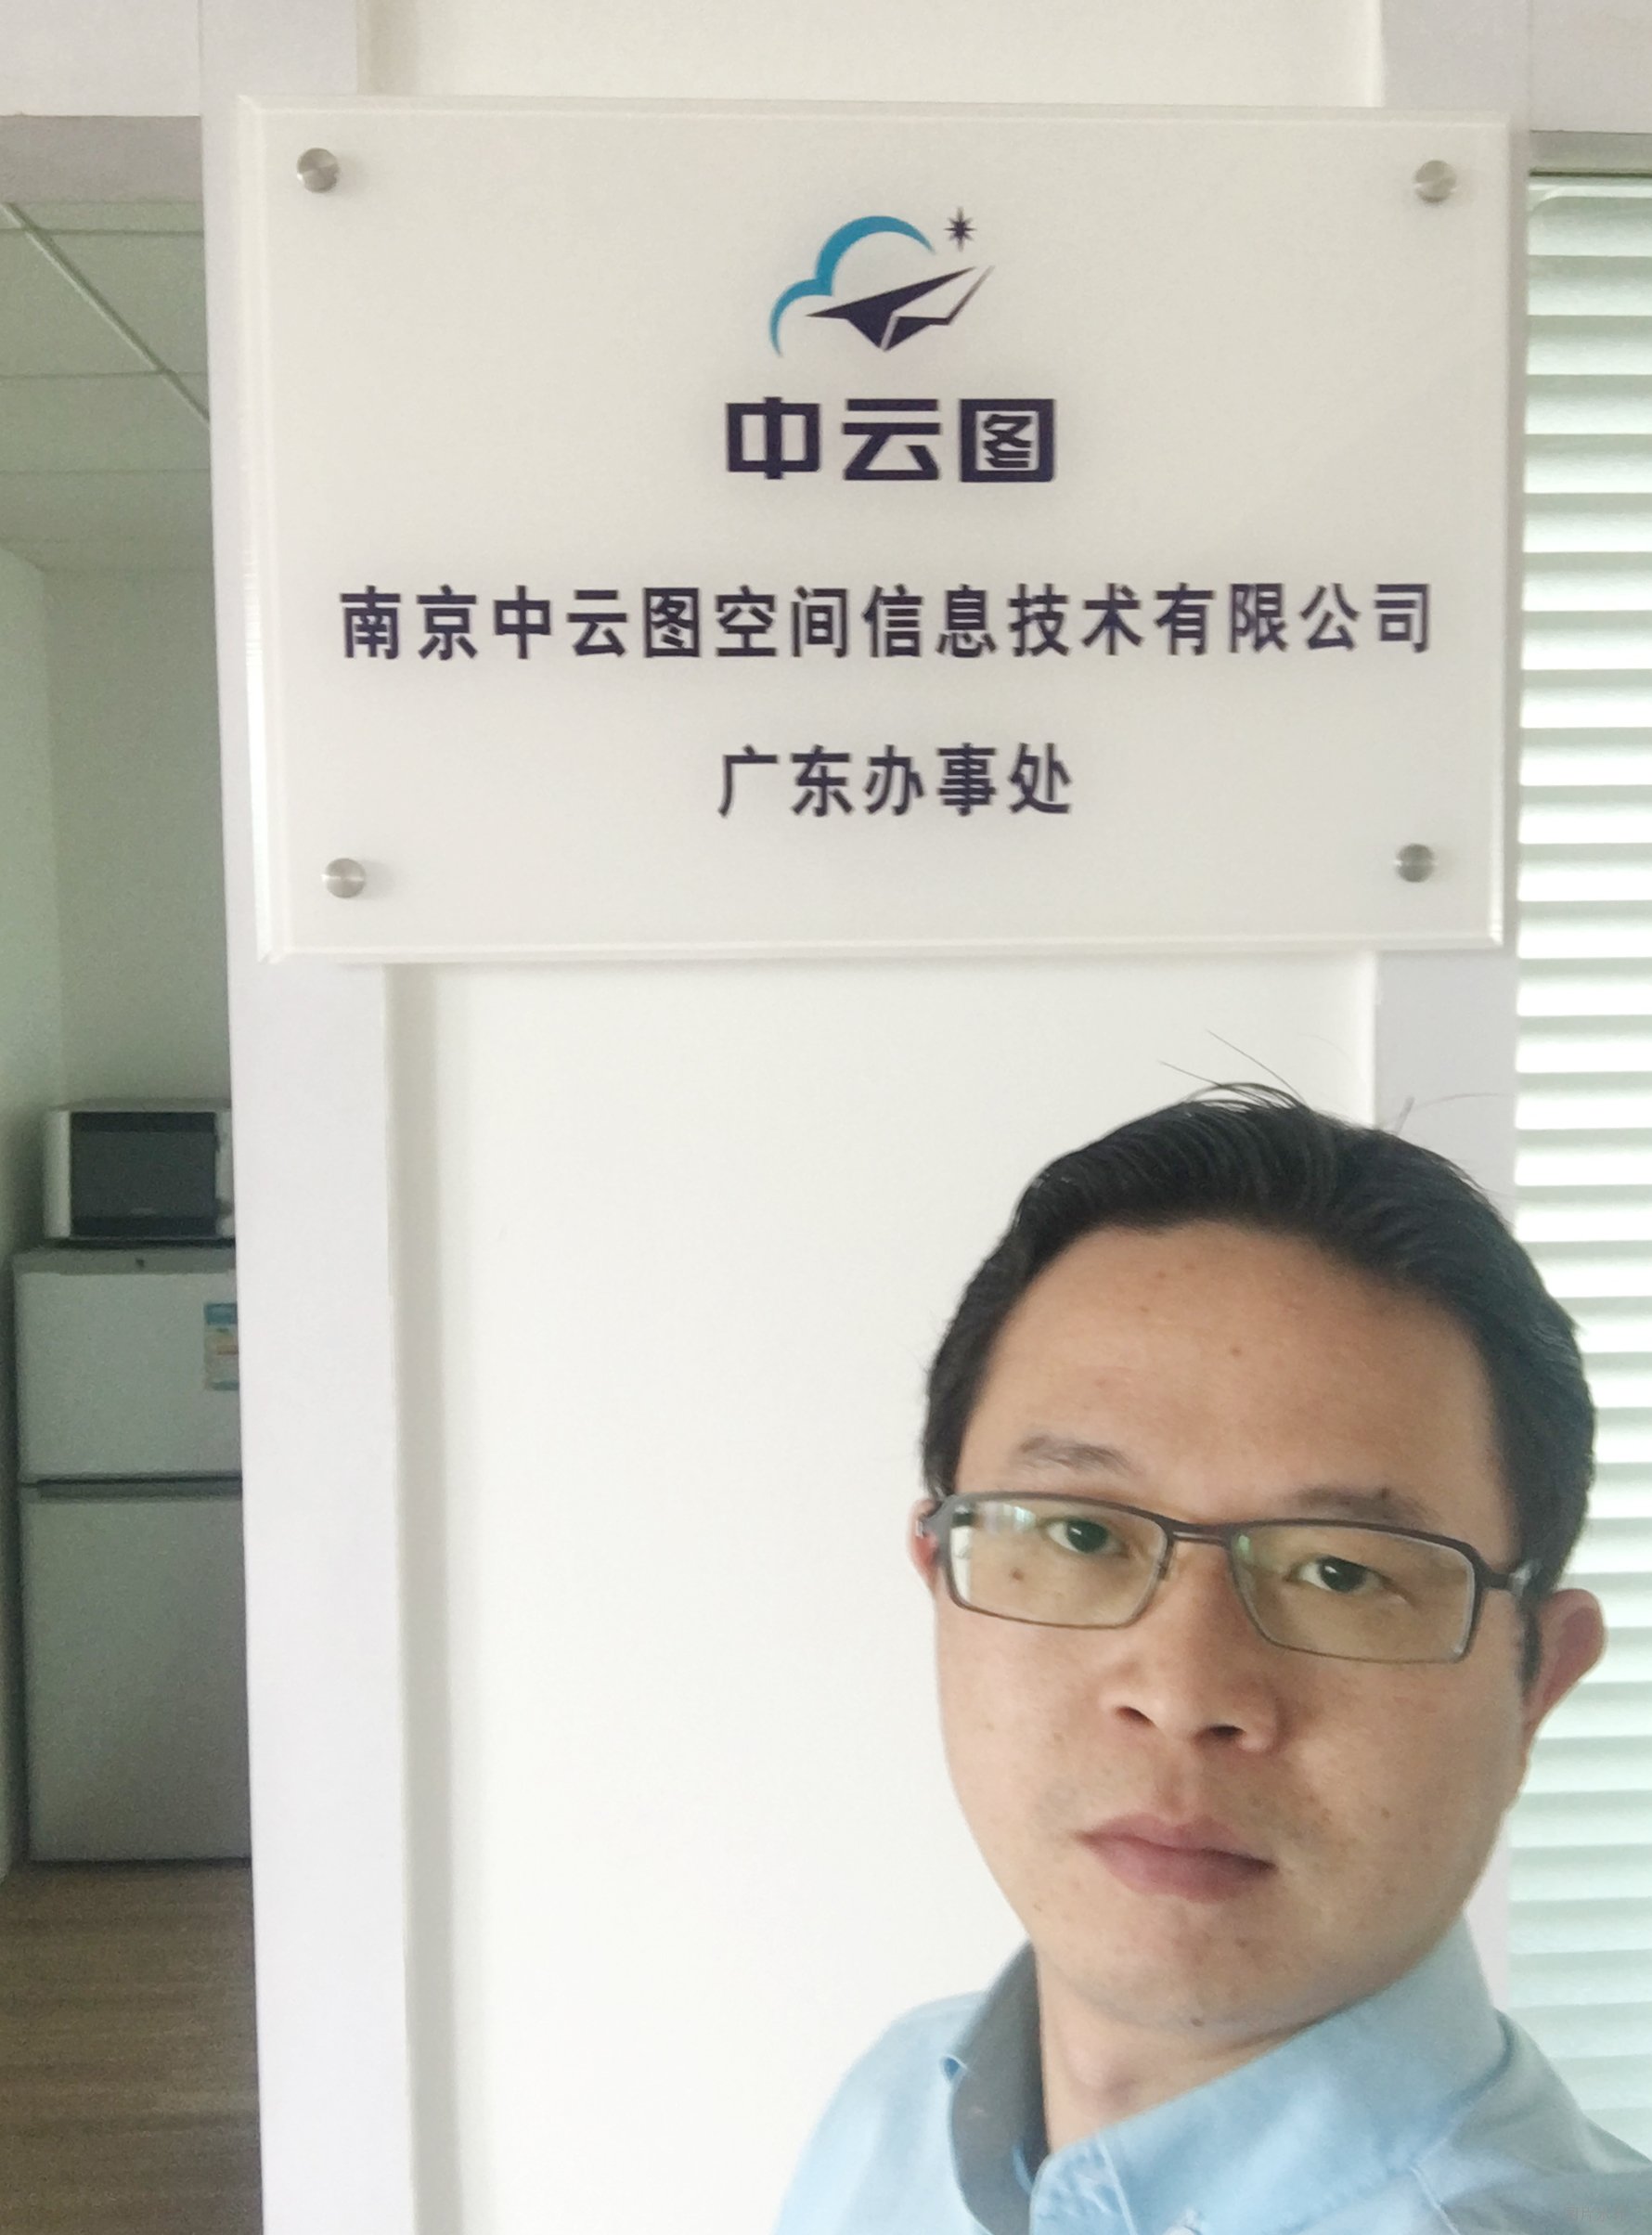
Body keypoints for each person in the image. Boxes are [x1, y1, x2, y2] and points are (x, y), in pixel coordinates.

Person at [774, 1089, 1652, 2235]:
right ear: (939, 1576)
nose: (1183, 1691)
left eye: (1340, 1571)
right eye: (1079, 1534)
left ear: (1536, 1680)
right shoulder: (891, 2113)